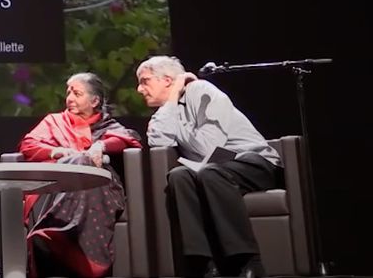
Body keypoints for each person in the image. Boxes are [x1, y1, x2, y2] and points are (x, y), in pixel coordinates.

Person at [137, 55, 282, 278]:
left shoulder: (203, 91)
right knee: (178, 176)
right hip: (214, 168)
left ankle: (245, 261)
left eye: (145, 81)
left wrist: (177, 100)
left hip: (253, 161)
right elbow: (159, 143)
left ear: (167, 79)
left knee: (210, 173)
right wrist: (174, 96)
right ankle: (202, 265)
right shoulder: (167, 111)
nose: (139, 89)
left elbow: (209, 148)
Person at [18, 72, 143, 278]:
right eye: (68, 93)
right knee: (78, 161)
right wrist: (58, 152)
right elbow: (29, 145)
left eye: (77, 93)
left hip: (99, 189)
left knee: (83, 162)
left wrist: (100, 145)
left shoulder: (108, 127)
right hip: (54, 188)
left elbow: (129, 139)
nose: (69, 98)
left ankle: (60, 238)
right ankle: (55, 233)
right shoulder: (54, 121)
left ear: (95, 100)